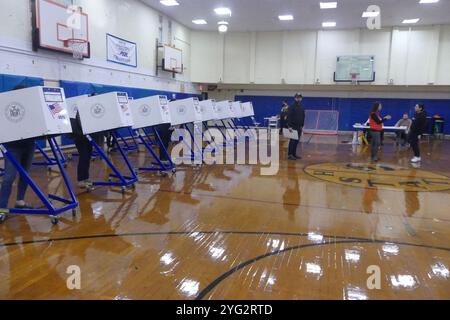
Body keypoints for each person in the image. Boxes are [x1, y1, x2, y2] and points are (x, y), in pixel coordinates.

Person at [0, 85, 36, 210]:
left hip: (29, 144)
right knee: (9, 177)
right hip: (12, 147)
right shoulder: (6, 105)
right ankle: (2, 207)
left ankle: (20, 201)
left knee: (25, 174)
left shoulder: (31, 107)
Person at [287, 93, 305, 160]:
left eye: (299, 97)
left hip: (299, 127)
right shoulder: (291, 107)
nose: (298, 98)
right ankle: (290, 155)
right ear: (295, 98)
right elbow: (289, 117)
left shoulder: (302, 107)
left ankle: (294, 154)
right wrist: (289, 126)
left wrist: (302, 125)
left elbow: (303, 116)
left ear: (301, 98)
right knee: (292, 141)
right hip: (293, 127)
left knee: (296, 141)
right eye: (297, 97)